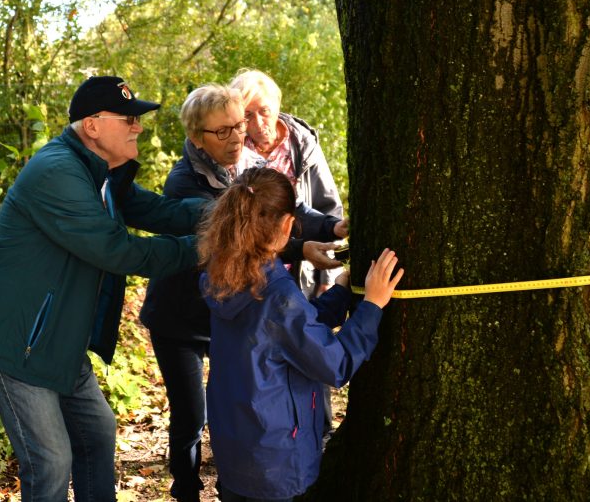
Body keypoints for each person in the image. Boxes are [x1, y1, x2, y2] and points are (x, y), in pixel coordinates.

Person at [0, 76, 204, 502]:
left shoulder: (100, 173)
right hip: (16, 347)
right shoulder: (57, 172)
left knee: (96, 432)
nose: (139, 127)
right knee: (51, 461)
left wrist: (225, 210)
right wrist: (205, 248)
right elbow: (119, 251)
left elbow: (160, 211)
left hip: (58, 343)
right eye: (129, 119)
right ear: (93, 125)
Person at [139, 83, 347, 502]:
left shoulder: (247, 162)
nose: (237, 137)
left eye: (239, 126)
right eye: (223, 132)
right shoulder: (184, 182)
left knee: (239, 400)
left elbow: (280, 208)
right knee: (190, 416)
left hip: (227, 311)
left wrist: (330, 227)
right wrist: (300, 247)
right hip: (181, 317)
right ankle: (186, 488)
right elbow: (235, 236)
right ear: (197, 138)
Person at [198, 167, 404, 502]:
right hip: (278, 461)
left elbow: (289, 333)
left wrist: (340, 294)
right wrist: (373, 305)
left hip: (237, 450)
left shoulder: (224, 273)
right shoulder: (277, 295)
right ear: (286, 224)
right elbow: (334, 364)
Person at [229, 68, 343, 299]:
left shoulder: (302, 145)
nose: (259, 122)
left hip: (303, 271)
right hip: (255, 274)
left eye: (265, 111)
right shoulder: (234, 150)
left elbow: (328, 207)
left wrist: (329, 277)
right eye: (248, 115)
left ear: (278, 106)